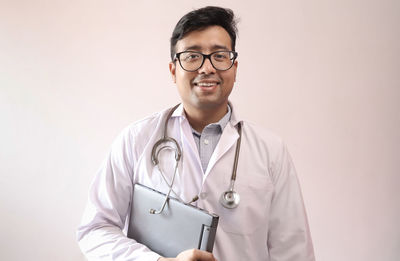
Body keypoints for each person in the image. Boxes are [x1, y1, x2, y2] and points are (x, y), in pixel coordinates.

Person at [77, 6, 315, 261]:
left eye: (219, 55)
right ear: (173, 70)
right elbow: (95, 229)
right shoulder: (136, 140)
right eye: (192, 56)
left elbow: (293, 251)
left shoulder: (270, 150)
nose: (206, 68)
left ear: (234, 68)